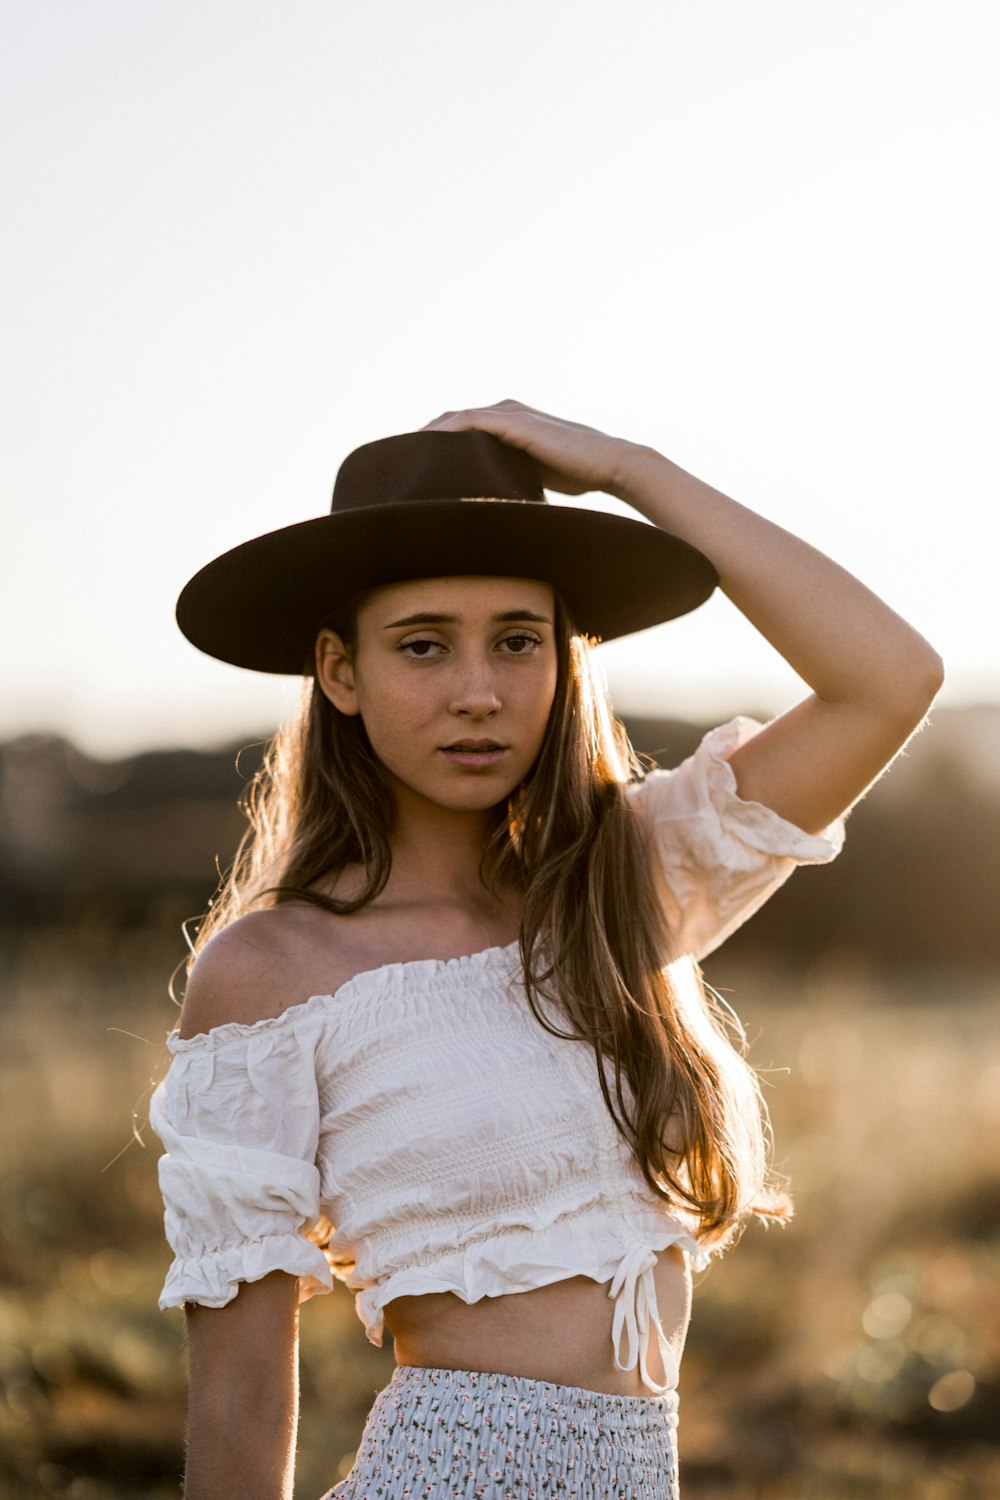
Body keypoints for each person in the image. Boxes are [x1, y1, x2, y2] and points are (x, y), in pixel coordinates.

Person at [150, 400, 943, 1500]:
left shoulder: (622, 882)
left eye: (518, 641)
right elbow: (239, 1395)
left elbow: (887, 680)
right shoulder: (272, 973)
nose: (478, 692)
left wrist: (632, 468)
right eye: (422, 645)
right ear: (339, 672)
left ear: (564, 665)